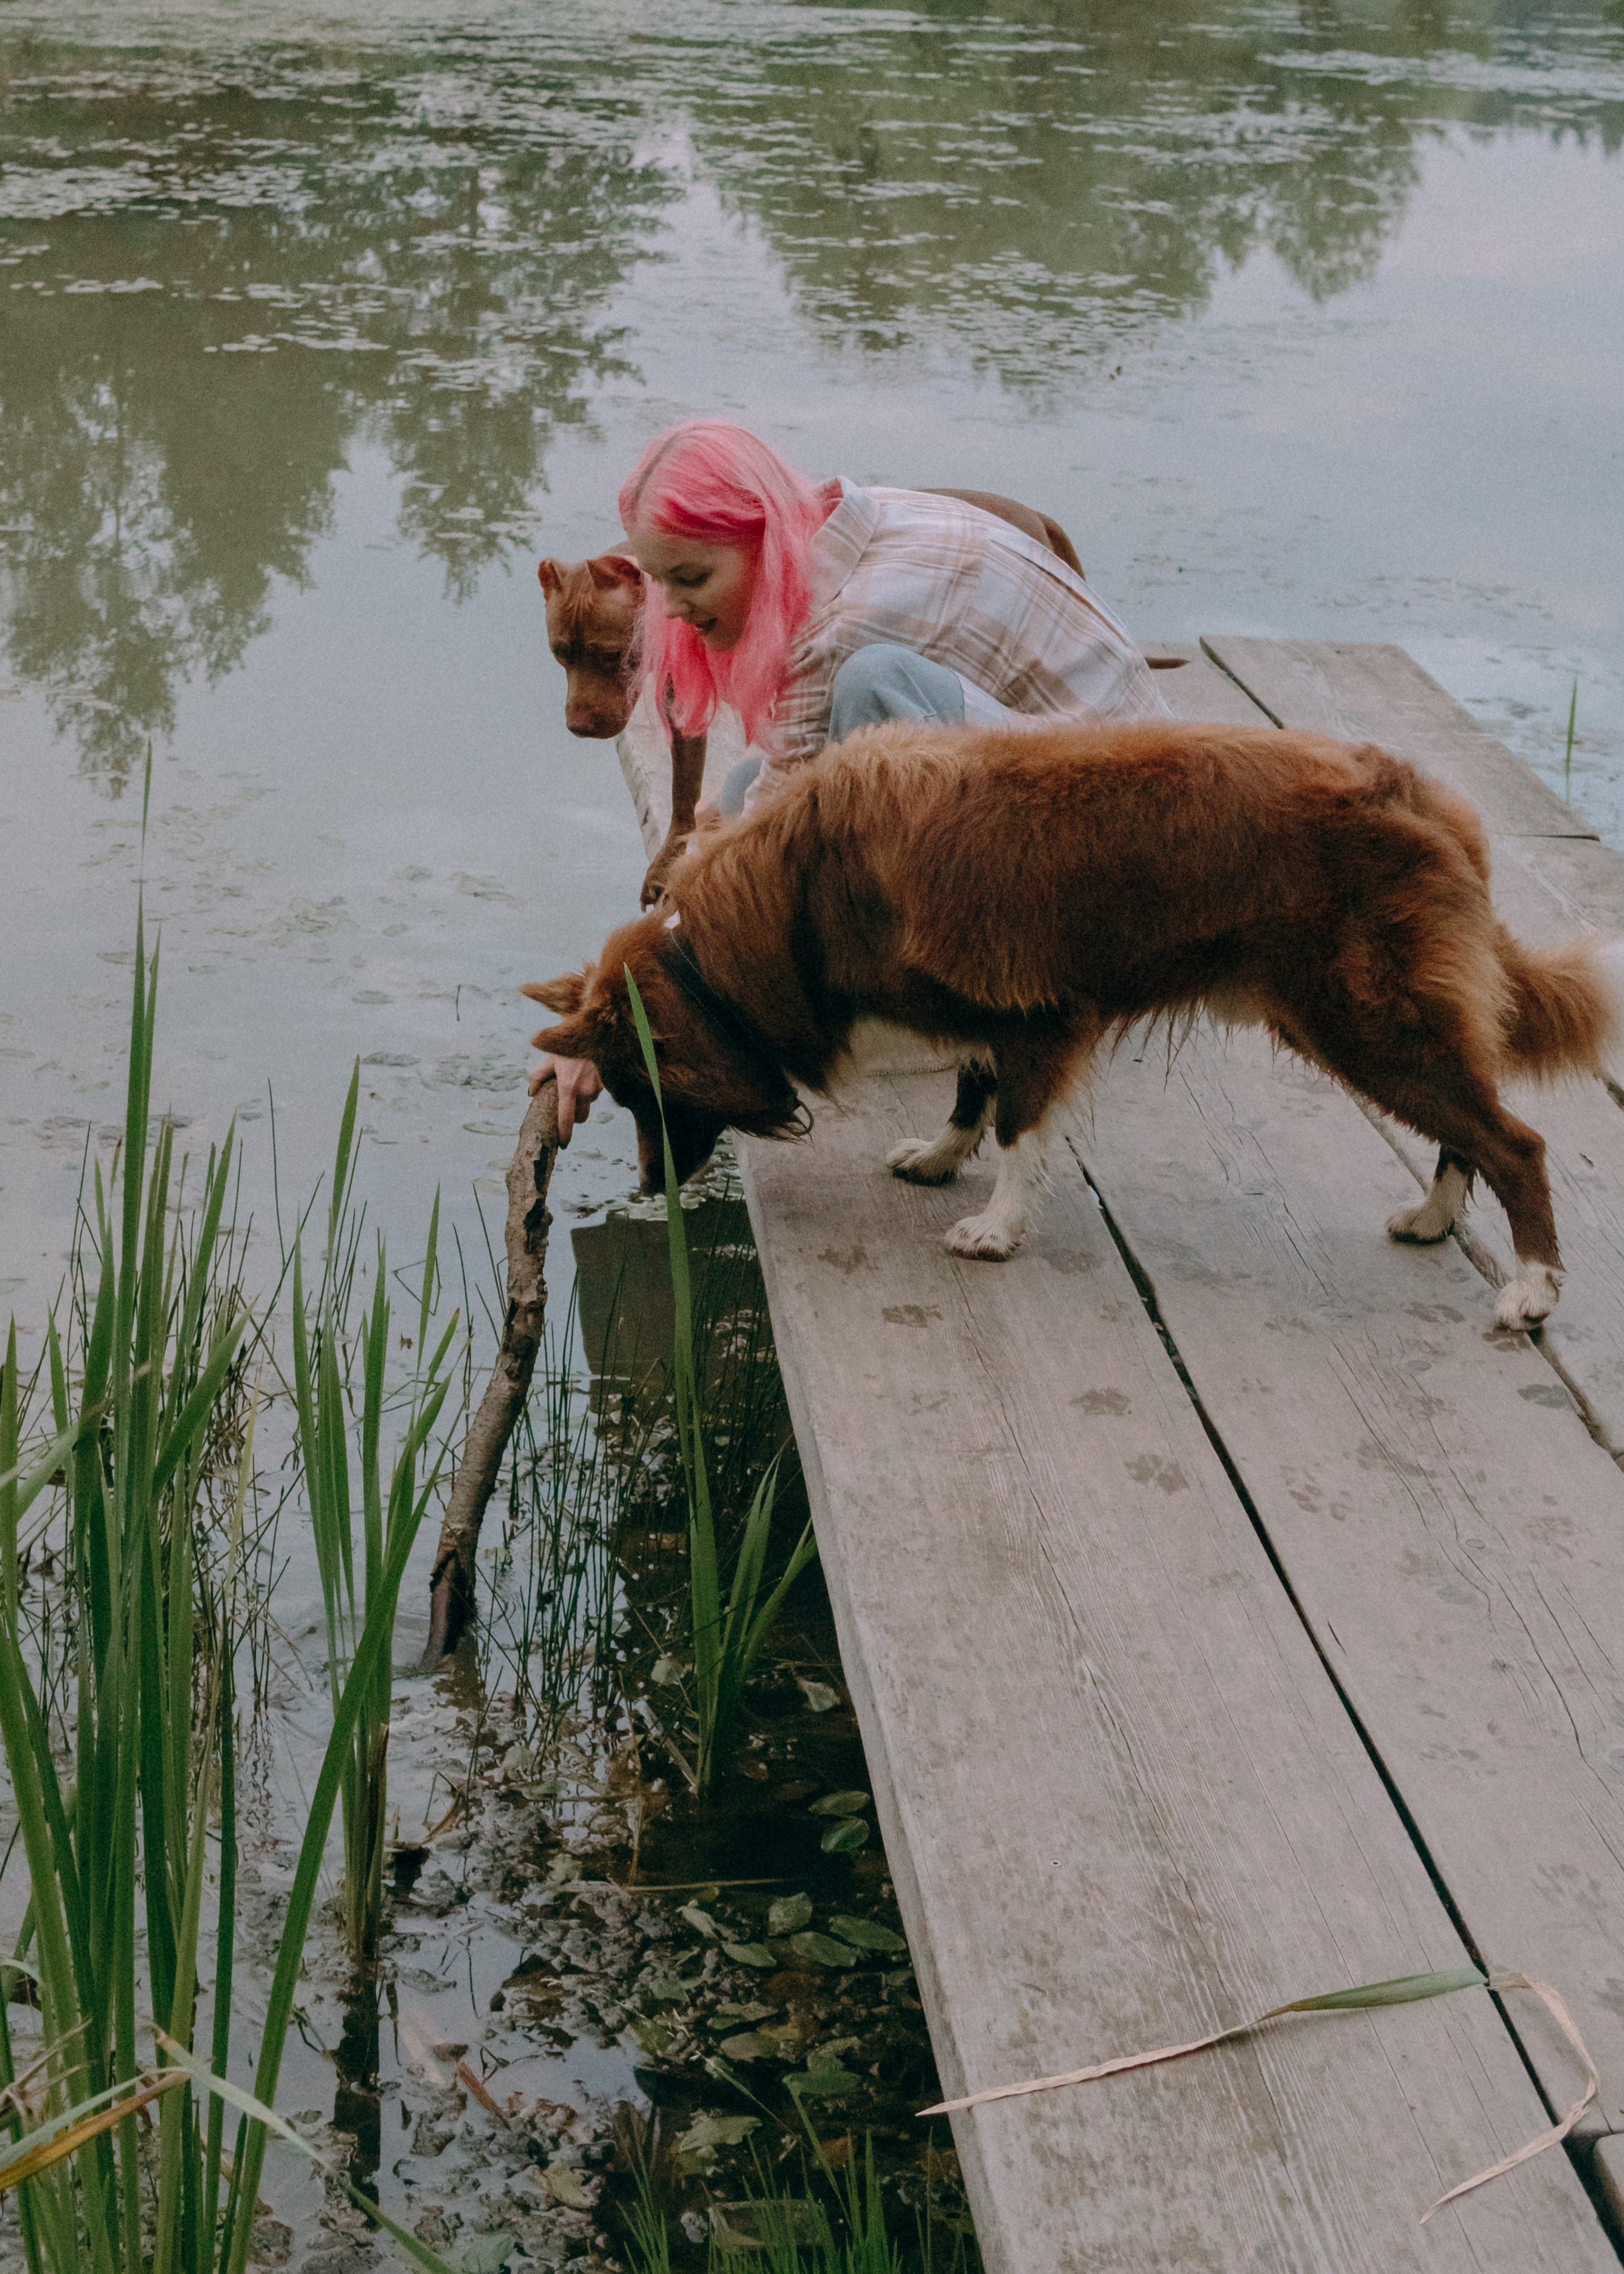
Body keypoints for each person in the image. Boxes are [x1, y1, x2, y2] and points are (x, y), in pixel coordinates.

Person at [533, 419, 1167, 1137]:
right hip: (1070, 781)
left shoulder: (838, 626)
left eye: (692, 578)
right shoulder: (836, 526)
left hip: (1124, 846)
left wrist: (610, 1017)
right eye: (662, 582)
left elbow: (752, 866)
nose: (672, 608)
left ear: (761, 538)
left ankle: (958, 991)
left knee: (869, 694)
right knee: (744, 790)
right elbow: (760, 800)